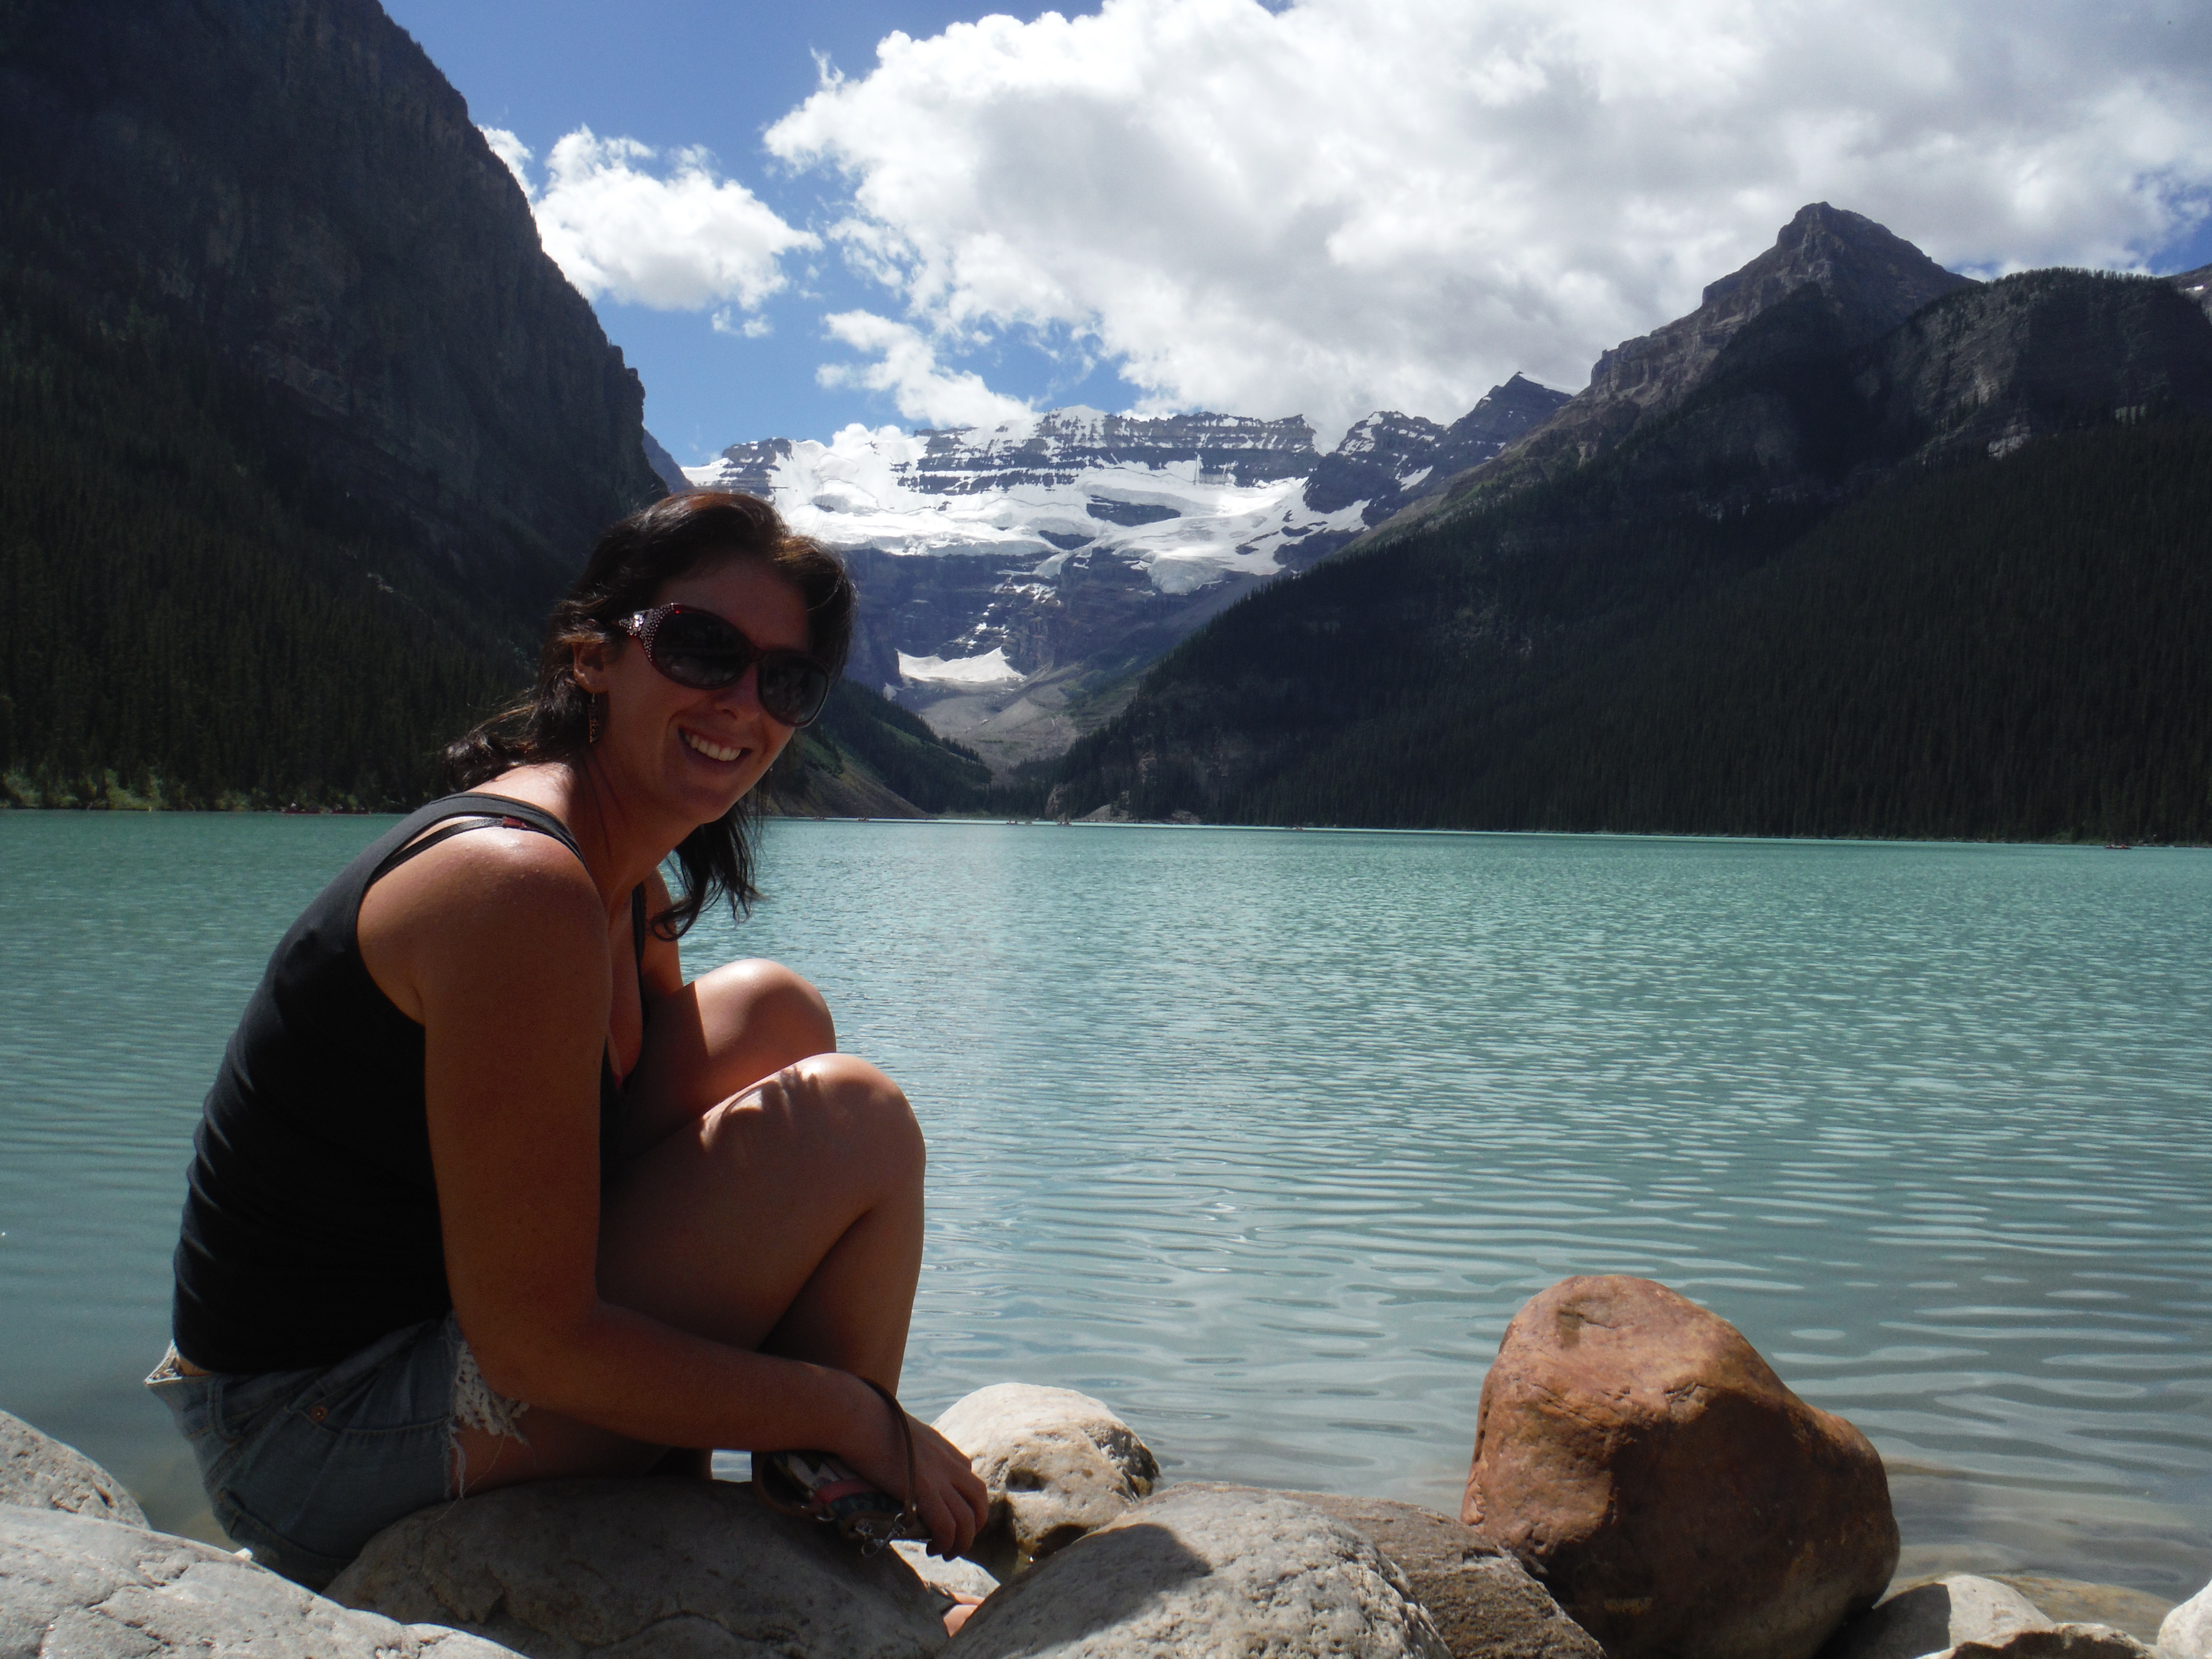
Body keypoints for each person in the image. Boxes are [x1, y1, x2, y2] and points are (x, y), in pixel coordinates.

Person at [150, 491, 989, 1597]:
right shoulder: (517, 887)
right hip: (307, 1438)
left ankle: (804, 1507)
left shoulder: (624, 885)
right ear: (594, 655)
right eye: (701, 648)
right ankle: (831, 1486)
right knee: (854, 1122)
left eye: (786, 681)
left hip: (429, 1341)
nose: (742, 703)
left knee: (775, 1014)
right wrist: (847, 1408)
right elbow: (533, 1347)